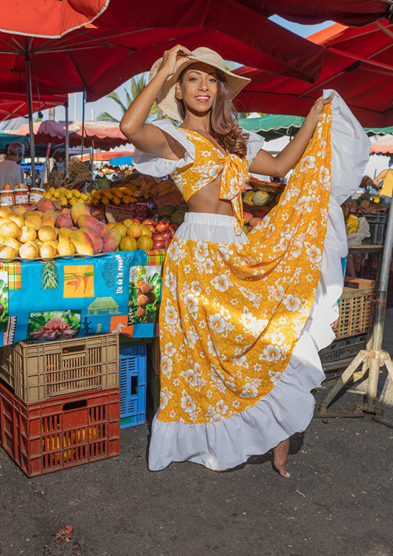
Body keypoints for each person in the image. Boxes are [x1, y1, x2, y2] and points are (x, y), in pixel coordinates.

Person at [121, 45, 368, 476]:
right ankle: (212, 437)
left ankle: (275, 430)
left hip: (239, 248)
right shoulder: (174, 137)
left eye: (211, 79)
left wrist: (312, 118)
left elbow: (281, 165)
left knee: (257, 338)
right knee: (201, 355)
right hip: (197, 254)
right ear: (179, 90)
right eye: (193, 78)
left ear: (219, 90)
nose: (202, 86)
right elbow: (129, 126)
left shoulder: (235, 139)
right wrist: (164, 68)